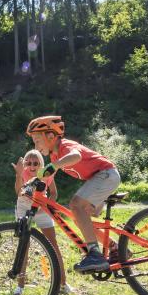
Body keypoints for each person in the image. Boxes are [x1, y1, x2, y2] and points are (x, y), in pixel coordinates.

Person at [26, 116, 120, 273]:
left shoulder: (65, 146)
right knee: (80, 220)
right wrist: (33, 181)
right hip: (100, 179)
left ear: (50, 136)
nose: (35, 145)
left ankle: (95, 254)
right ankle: (115, 248)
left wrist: (53, 166)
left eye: (37, 140)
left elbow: (76, 156)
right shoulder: (54, 156)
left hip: (106, 174)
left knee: (75, 205)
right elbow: (48, 175)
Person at [12, 149, 72, 295]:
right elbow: (18, 191)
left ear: (41, 164)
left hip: (42, 207)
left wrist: (47, 206)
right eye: (29, 163)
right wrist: (19, 174)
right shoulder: (23, 173)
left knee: (53, 245)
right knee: (23, 246)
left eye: (36, 163)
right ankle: (20, 287)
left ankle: (63, 283)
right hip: (24, 207)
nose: (32, 166)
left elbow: (53, 193)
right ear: (25, 163)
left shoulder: (47, 174)